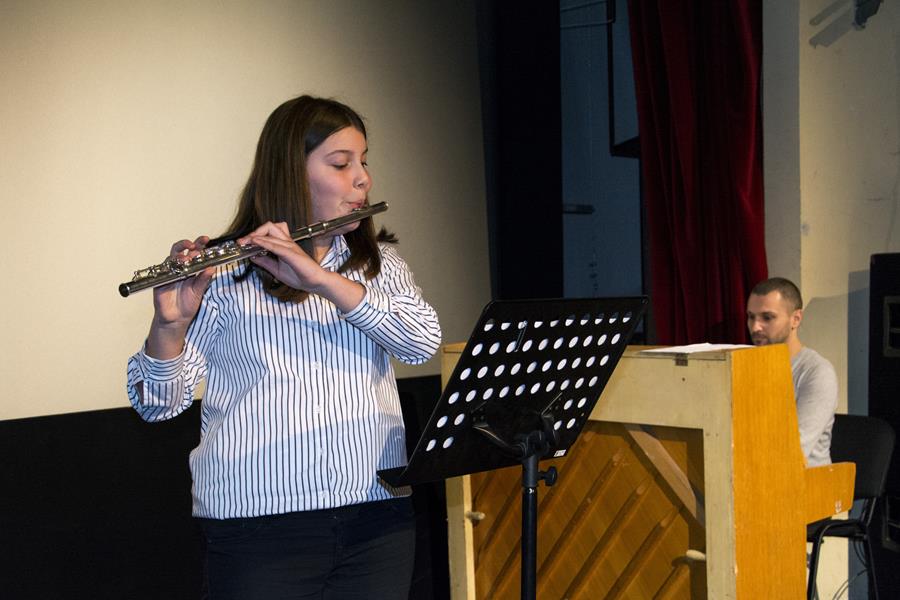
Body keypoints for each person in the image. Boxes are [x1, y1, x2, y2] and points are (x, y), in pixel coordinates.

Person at [126, 95, 442, 599]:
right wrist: (169, 326)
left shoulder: (378, 266)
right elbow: (157, 405)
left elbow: (421, 343)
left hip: (376, 517)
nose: (362, 179)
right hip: (260, 527)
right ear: (291, 173)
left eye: (364, 162)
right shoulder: (226, 272)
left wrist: (321, 280)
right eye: (341, 164)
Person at [746, 277, 837, 467]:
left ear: (795, 319)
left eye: (767, 318)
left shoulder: (817, 372)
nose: (755, 327)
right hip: (755, 473)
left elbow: (794, 451)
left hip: (803, 481)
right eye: (751, 317)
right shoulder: (745, 366)